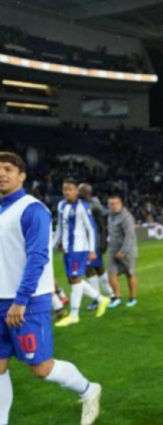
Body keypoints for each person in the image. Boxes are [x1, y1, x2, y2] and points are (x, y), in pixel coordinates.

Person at [0, 151, 102, 425]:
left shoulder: (32, 209)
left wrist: (21, 300)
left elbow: (38, 257)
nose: (2, 174)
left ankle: (89, 390)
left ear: (22, 176)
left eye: (8, 169)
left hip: (27, 302)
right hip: (0, 300)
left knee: (40, 368)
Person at [53, 179, 110, 327]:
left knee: (75, 279)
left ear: (76, 191)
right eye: (65, 189)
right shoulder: (61, 205)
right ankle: (100, 299)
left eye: (70, 189)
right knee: (73, 280)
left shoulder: (82, 207)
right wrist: (52, 245)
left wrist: (92, 249)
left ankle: (74, 314)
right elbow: (60, 227)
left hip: (79, 249)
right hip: (67, 249)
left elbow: (91, 229)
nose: (67, 192)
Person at [77, 183, 115, 311]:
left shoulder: (95, 206)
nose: (77, 192)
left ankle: (98, 298)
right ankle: (112, 295)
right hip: (84, 243)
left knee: (90, 270)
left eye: (80, 190)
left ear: (86, 192)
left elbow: (102, 227)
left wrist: (103, 243)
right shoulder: (80, 205)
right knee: (98, 269)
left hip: (94, 244)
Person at [105, 195, 139, 308]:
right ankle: (117, 297)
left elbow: (130, 235)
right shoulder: (110, 216)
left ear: (121, 204)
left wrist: (124, 251)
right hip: (113, 250)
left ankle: (132, 298)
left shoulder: (126, 217)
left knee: (130, 274)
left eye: (116, 203)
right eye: (111, 204)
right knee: (111, 273)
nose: (113, 206)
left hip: (127, 251)